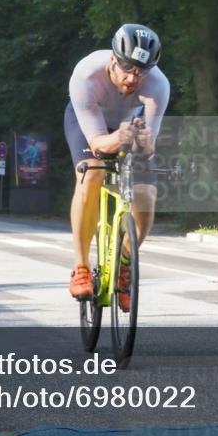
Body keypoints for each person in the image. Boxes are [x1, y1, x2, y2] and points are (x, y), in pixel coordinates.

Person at [65, 23, 169, 310]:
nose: (133, 78)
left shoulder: (158, 86)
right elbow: (98, 143)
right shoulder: (86, 76)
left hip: (129, 122)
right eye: (128, 69)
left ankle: (125, 263)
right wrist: (117, 137)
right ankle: (82, 267)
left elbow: (149, 147)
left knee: (147, 193)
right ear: (113, 60)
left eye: (141, 71)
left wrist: (144, 142)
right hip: (90, 122)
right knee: (92, 173)